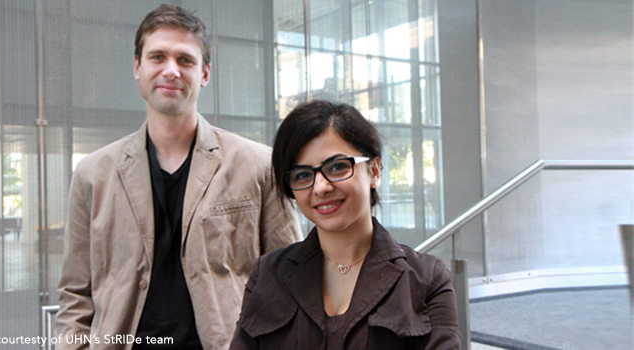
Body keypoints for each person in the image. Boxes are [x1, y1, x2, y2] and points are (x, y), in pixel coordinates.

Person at [55, 4, 302, 350]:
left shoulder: (258, 165)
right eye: (158, 57)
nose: (171, 70)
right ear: (137, 68)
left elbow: (291, 279)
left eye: (185, 60)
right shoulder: (92, 174)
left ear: (204, 74)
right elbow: (75, 294)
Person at [230, 100, 461, 349]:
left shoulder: (426, 280)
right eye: (302, 175)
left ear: (374, 171)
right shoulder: (268, 274)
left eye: (338, 167)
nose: (320, 187)